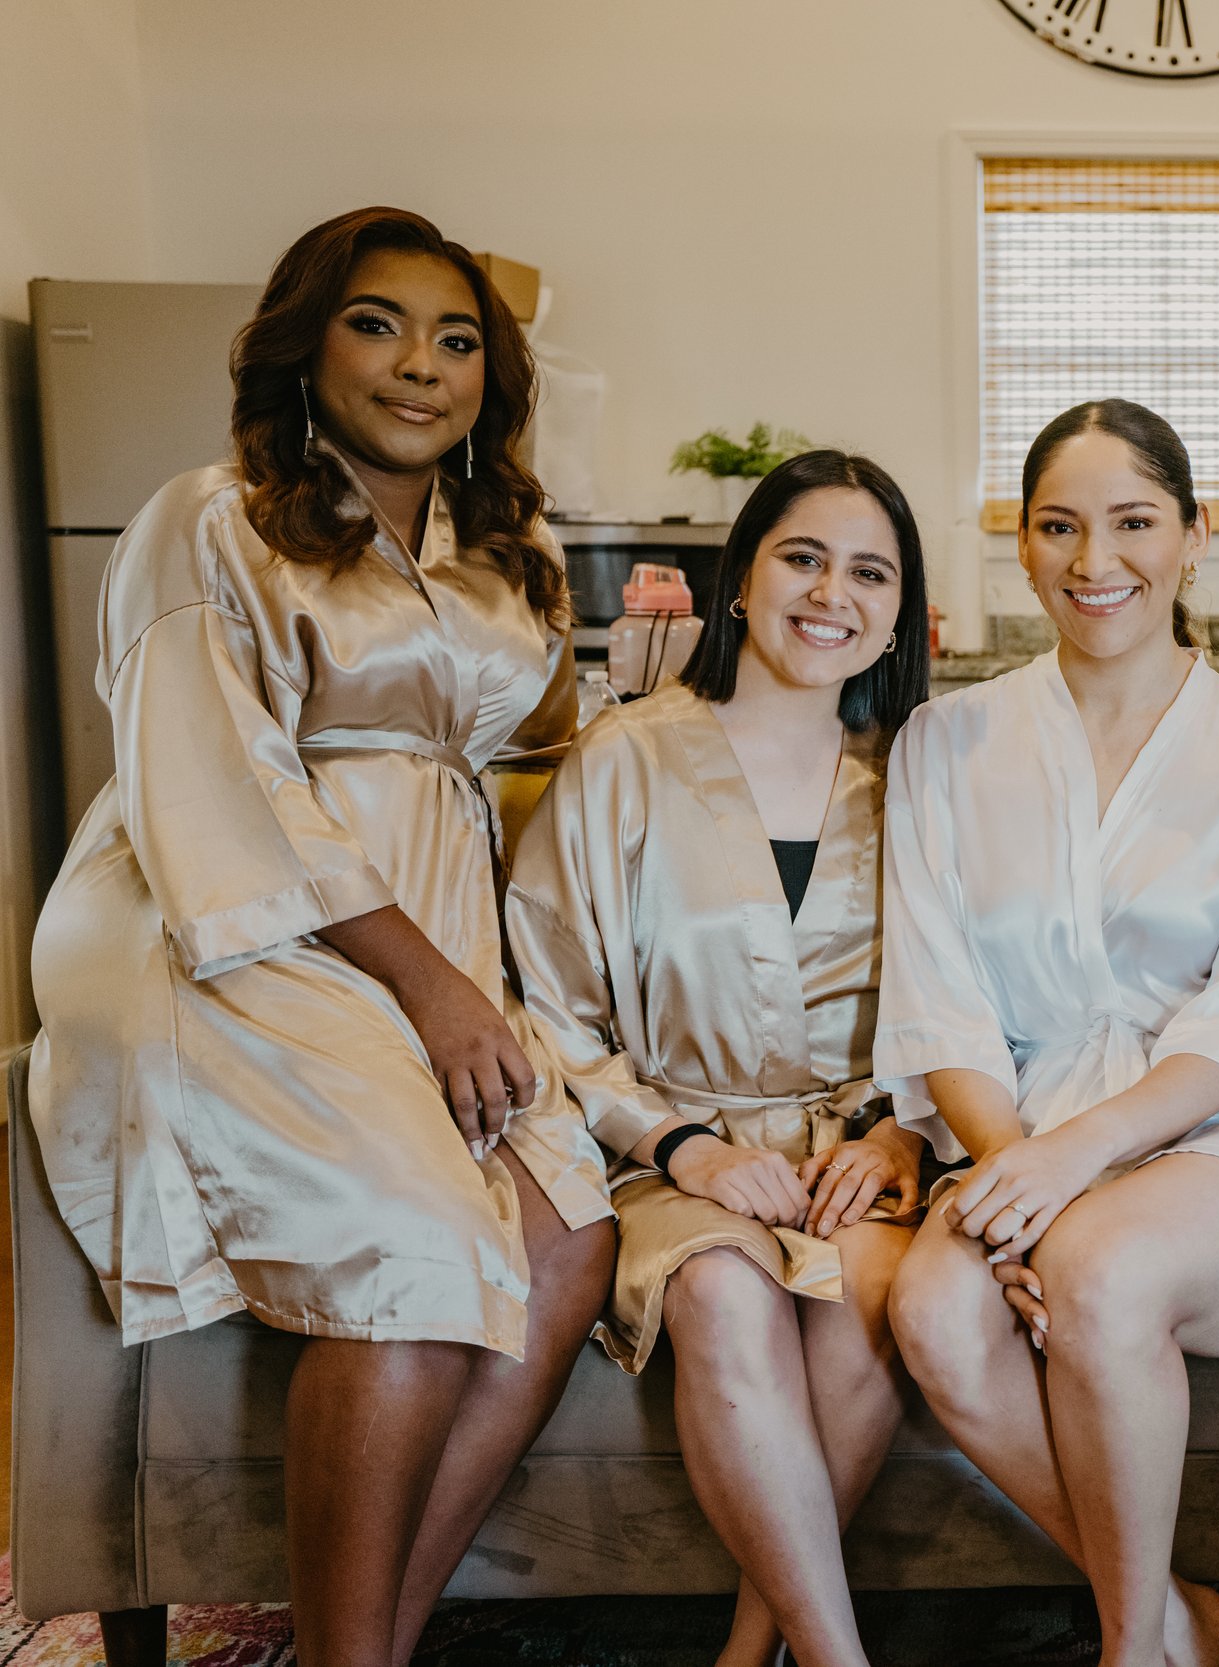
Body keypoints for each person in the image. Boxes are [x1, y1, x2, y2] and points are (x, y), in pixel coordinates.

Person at [24, 207, 616, 1667]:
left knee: (566, 1238)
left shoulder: (502, 552)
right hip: (216, 925)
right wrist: (429, 989)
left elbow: (513, 761)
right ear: (305, 344)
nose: (422, 364)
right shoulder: (208, 515)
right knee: (416, 1230)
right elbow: (234, 792)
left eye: (458, 338)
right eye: (379, 322)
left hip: (431, 936)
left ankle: (366, 1645)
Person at [879, 399, 1219, 1667]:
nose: (1097, 560)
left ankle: (1124, 1651)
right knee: (931, 1307)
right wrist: (1007, 1160)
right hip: (1018, 1126)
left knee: (1094, 1266)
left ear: (1193, 537)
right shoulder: (945, 741)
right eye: (1060, 526)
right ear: (1020, 546)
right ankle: (1165, 1616)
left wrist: (1064, 1168)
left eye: (1134, 521)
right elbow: (941, 1000)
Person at [504, 450, 932, 1667]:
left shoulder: (919, 776)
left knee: (867, 1297)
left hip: (862, 1150)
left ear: (899, 610)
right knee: (723, 1292)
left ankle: (754, 1651)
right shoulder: (627, 756)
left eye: (870, 571)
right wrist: (679, 1145)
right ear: (742, 574)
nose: (830, 593)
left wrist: (899, 1129)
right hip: (666, 1144)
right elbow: (549, 1002)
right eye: (803, 555)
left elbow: (975, 1003)